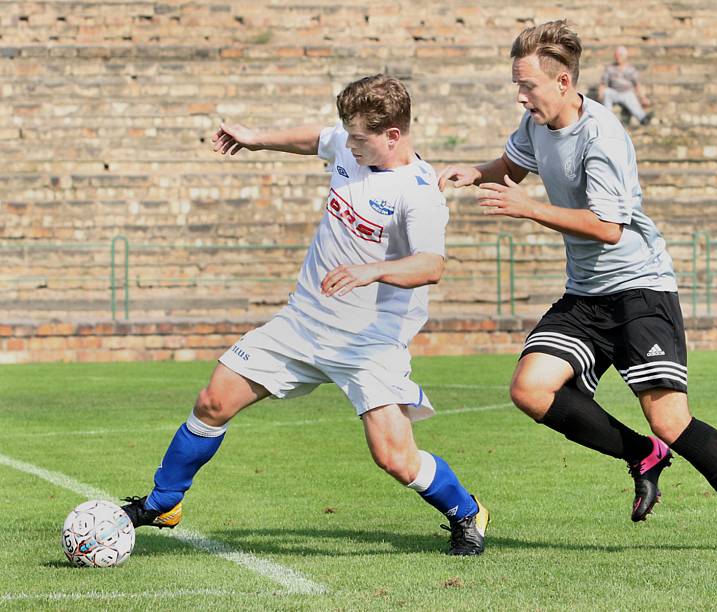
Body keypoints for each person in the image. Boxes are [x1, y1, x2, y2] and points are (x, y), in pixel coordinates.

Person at [438, 20, 717, 555]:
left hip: (638, 289)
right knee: (530, 390)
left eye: (527, 85)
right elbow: (511, 165)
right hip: (586, 293)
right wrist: (474, 172)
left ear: (562, 82)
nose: (520, 94)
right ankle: (641, 455)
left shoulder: (603, 137)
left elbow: (608, 228)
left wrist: (528, 208)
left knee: (669, 418)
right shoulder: (536, 123)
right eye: (518, 83)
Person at [122, 74, 489, 556]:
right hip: (302, 323)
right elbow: (316, 138)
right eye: (349, 134)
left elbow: (431, 265)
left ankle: (467, 512)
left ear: (392, 136)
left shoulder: (418, 193)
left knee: (395, 459)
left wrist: (369, 271)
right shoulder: (350, 146)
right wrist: (255, 139)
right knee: (213, 399)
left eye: (360, 137)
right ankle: (164, 502)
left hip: (368, 343)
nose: (349, 145)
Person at [597, 45, 652, 125]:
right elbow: (603, 84)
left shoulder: (631, 69)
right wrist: (600, 95)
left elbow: (637, 85)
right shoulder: (610, 68)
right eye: (616, 55)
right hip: (614, 92)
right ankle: (607, 118)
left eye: (620, 55)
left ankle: (643, 118)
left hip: (626, 93)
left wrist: (643, 97)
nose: (617, 57)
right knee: (606, 92)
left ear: (625, 56)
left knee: (631, 97)